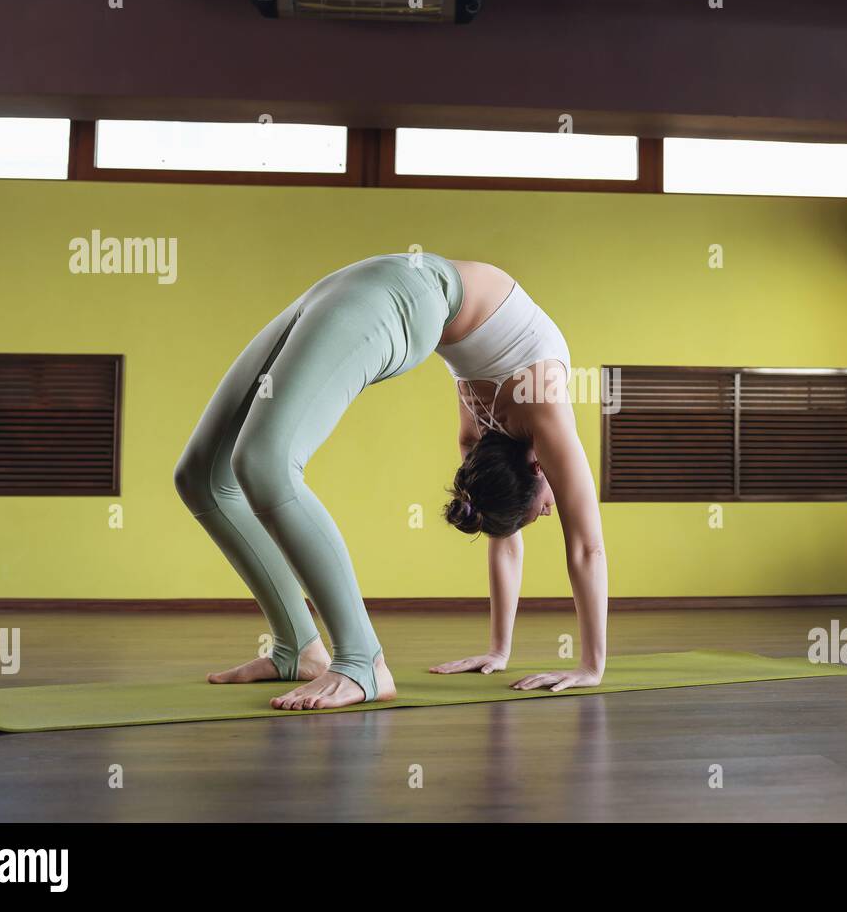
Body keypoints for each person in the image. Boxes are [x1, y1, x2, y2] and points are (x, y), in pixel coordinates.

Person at [173, 252, 608, 710]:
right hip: (394, 294)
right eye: (545, 509)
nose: (551, 507)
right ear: (540, 466)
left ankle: (298, 649)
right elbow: (587, 547)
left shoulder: (480, 435)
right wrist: (590, 666)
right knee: (238, 469)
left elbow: (502, 536)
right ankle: (358, 662)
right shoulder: (547, 407)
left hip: (367, 281)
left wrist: (499, 651)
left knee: (224, 471)